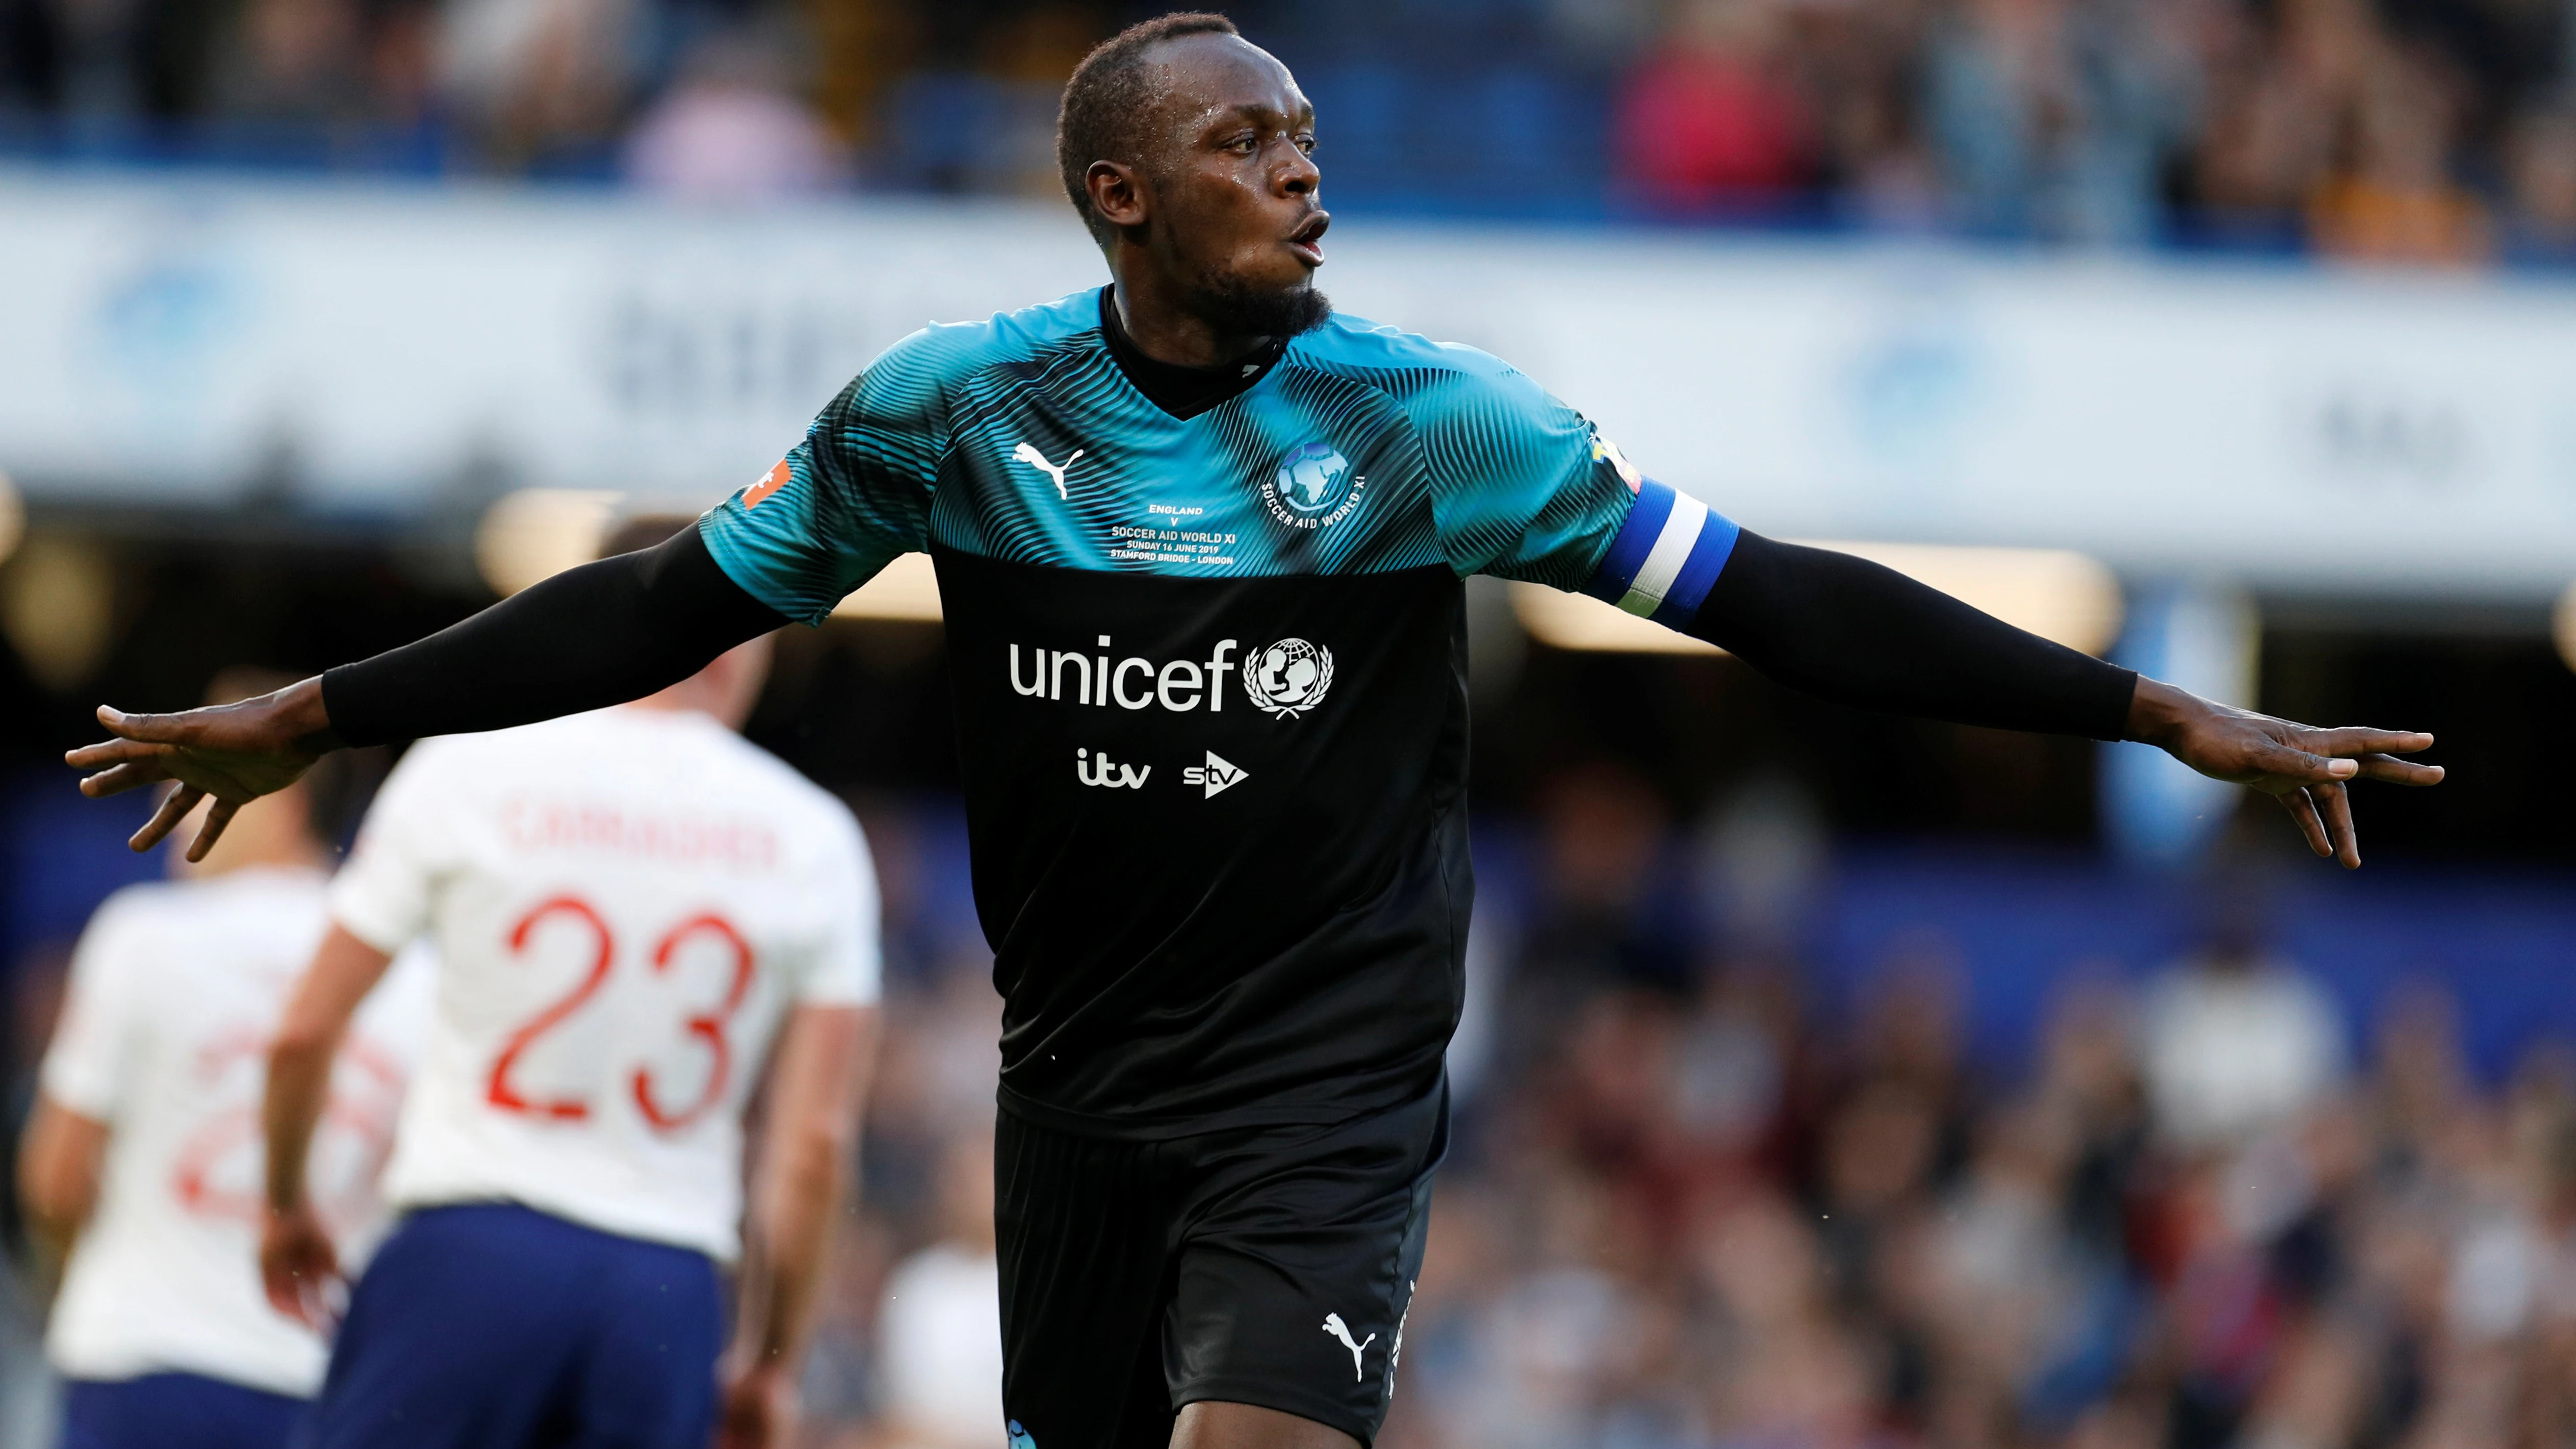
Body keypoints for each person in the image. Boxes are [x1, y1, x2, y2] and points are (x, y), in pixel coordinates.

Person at [65, 14, 2442, 1449]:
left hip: (1318, 1087)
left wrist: (2145, 704)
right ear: (1118, 194)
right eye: (1244, 145)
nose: (1303, 168)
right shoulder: (947, 423)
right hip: (1071, 1085)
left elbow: (1775, 605)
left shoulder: (1428, 427)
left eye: (1307, 133)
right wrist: (318, 713)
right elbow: (653, 605)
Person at [252, 516, 882, 1449]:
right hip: (663, 1289)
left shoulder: (465, 765)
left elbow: (305, 1029)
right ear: (748, 646)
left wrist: (283, 1199)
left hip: (468, 1247)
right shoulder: (814, 837)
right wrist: (769, 1358)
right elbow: (813, 1146)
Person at [16, 670, 428, 1449]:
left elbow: (55, 1180)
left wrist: (96, 1284)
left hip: (141, 1364)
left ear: (279, 790)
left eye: (190, 781)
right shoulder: (416, 971)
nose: (163, 816)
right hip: (326, 1382)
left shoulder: (142, 935)